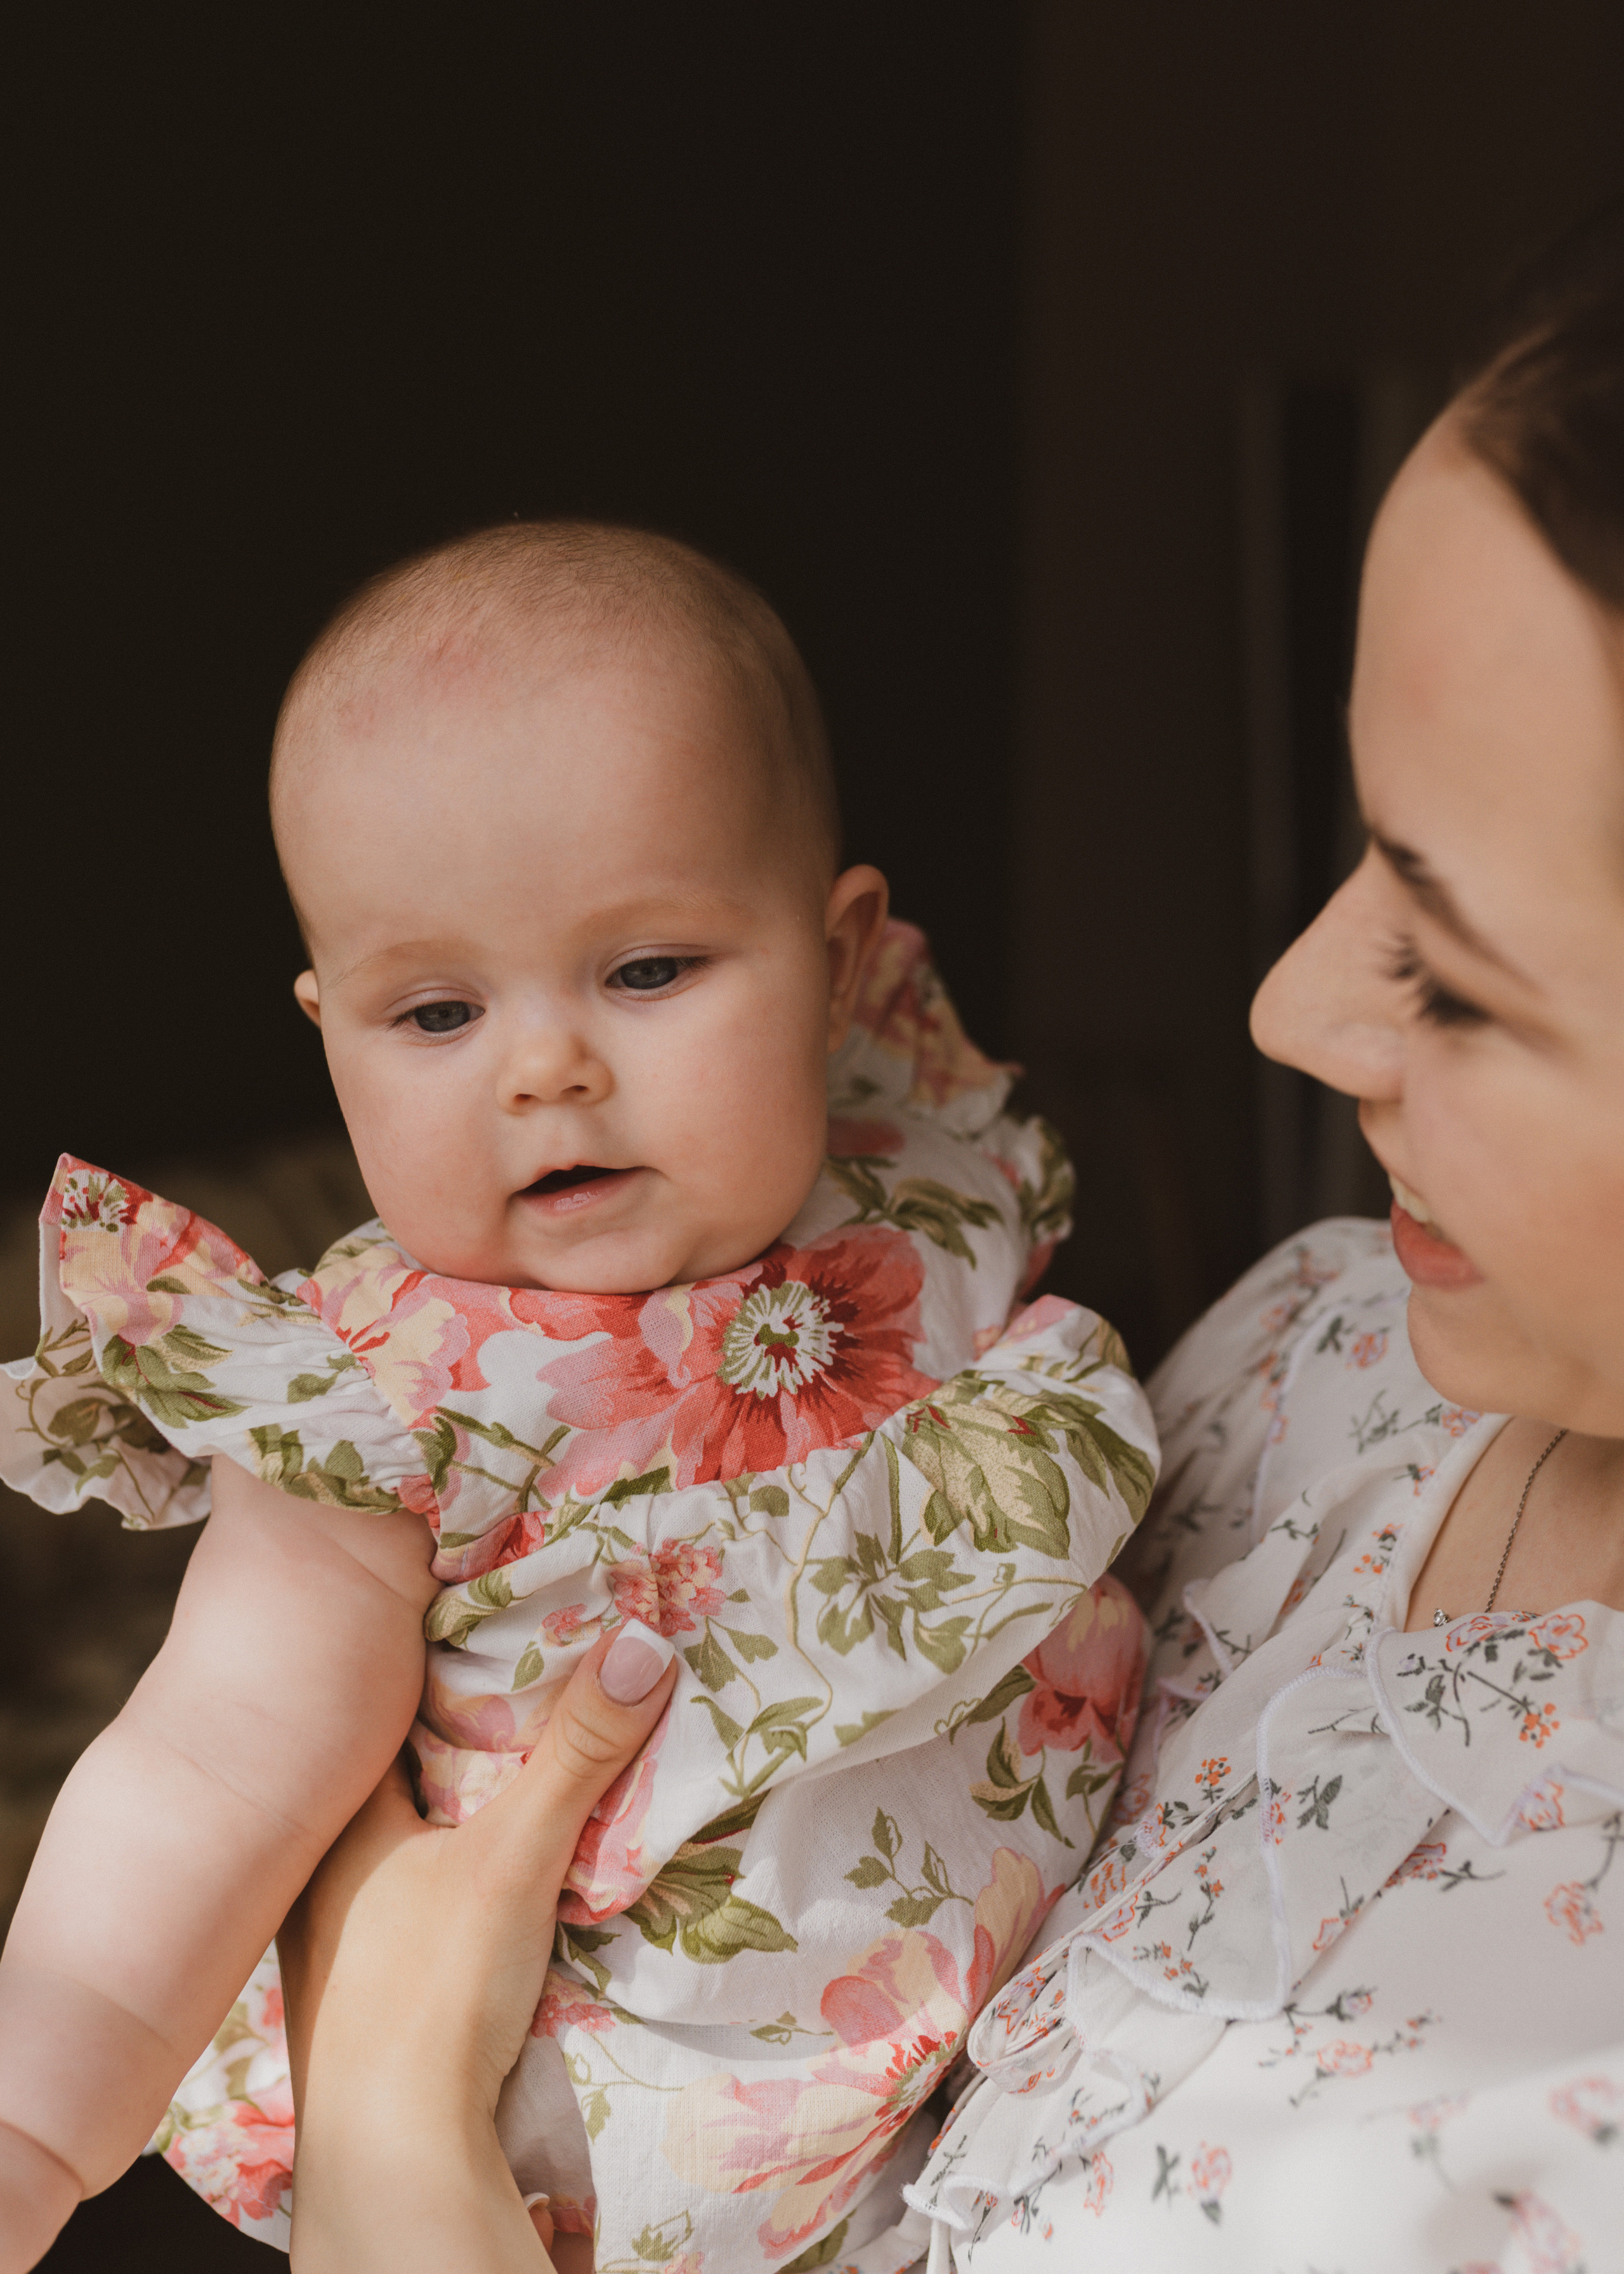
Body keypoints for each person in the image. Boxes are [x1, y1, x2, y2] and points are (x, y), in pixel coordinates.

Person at [287, 206, 1624, 2271]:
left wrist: (391, 2155)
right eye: (1363, 845)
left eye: (1451, 962)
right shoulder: (1308, 1369)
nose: (1284, 1007)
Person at [0, 527, 1157, 2272]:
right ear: (330, 1033)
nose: (548, 1067)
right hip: (594, 2159)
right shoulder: (388, 1398)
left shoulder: (932, 1177)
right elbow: (209, 1759)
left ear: (841, 963)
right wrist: (33, 2119)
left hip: (1009, 2094)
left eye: (647, 972)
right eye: (439, 1010)